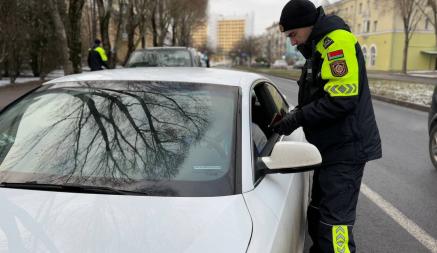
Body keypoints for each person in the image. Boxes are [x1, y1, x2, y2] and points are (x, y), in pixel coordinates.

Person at [273, 0, 382, 252]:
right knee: (318, 216)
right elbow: (318, 96)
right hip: (330, 149)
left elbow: (341, 99)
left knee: (336, 227)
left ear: (306, 25)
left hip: (346, 150)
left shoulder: (336, 42)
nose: (292, 41)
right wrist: (296, 113)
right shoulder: (318, 46)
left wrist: (298, 118)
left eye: (293, 34)